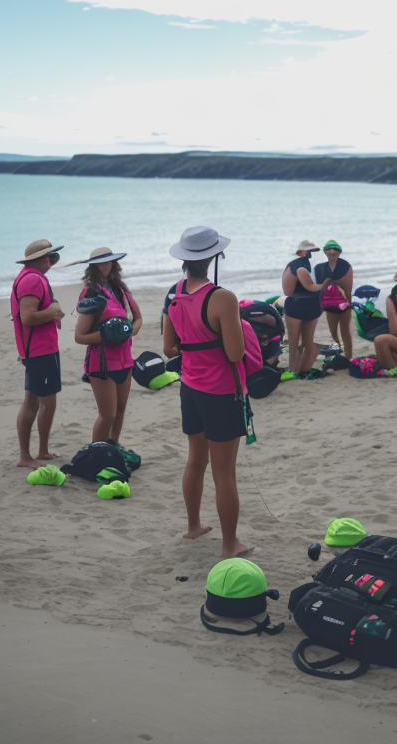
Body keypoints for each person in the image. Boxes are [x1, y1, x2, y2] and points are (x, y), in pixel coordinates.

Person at [164, 226, 252, 558]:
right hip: (221, 391)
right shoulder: (222, 298)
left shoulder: (173, 294)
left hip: (190, 388)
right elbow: (235, 354)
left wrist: (196, 348)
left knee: (195, 461)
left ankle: (193, 526)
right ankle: (230, 544)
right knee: (224, 472)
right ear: (214, 256)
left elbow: (169, 347)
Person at [73, 247, 142, 444]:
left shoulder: (120, 288)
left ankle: (113, 447)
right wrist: (107, 336)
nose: (106, 265)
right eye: (101, 262)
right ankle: (97, 453)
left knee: (120, 411)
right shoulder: (91, 293)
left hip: (125, 359)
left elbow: (138, 319)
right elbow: (79, 336)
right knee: (108, 414)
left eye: (109, 261)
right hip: (101, 363)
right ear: (93, 267)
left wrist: (127, 331)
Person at [11, 239, 65, 468]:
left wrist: (52, 313)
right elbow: (28, 317)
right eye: (49, 256)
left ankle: (38, 452)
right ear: (42, 259)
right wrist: (52, 312)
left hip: (40, 349)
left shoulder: (32, 277)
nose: (51, 260)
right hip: (39, 351)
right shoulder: (32, 279)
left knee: (32, 400)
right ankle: (30, 454)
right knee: (45, 402)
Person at [281, 240, 330, 376]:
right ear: (302, 252)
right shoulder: (302, 267)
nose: (310, 254)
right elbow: (310, 286)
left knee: (295, 343)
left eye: (311, 251)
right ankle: (299, 370)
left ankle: (294, 370)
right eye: (309, 251)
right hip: (305, 305)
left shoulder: (292, 265)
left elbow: (287, 291)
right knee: (304, 342)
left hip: (296, 304)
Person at [314, 240, 354, 359]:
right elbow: (320, 289)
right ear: (325, 252)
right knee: (333, 333)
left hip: (344, 303)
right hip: (329, 304)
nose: (332, 252)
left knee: (345, 331)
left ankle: (348, 357)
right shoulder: (320, 268)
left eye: (335, 249)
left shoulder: (345, 266)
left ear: (339, 252)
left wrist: (349, 304)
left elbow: (348, 289)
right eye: (329, 249)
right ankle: (338, 352)